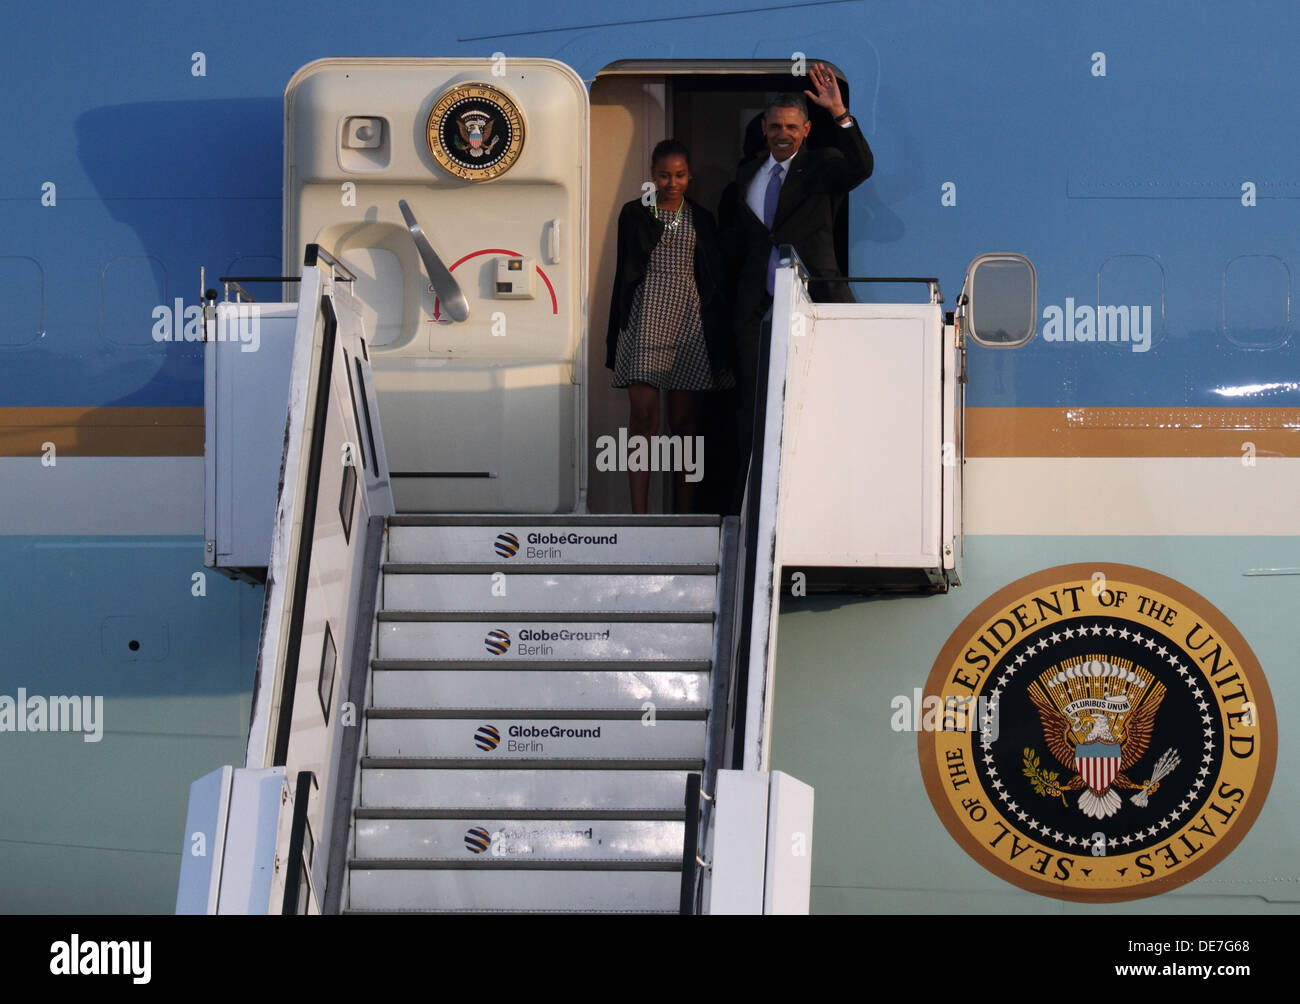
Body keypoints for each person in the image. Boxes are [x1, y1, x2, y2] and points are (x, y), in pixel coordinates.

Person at [723, 64, 874, 509]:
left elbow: (862, 167)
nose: (782, 134)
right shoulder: (745, 175)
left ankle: (811, 498)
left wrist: (841, 114)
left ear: (806, 130)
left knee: (814, 400)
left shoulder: (824, 166)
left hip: (814, 303)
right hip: (756, 310)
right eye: (775, 126)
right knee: (754, 405)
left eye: (792, 126)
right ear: (765, 129)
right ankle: (749, 501)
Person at [606, 139, 735, 514]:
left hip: (688, 322)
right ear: (652, 175)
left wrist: (720, 345)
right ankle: (639, 515)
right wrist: (616, 337)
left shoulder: (702, 218)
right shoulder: (634, 214)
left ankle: (684, 515)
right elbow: (622, 278)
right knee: (643, 417)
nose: (672, 182)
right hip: (645, 318)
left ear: (689, 176)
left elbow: (714, 282)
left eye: (679, 175)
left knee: (685, 426)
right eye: (664, 175)